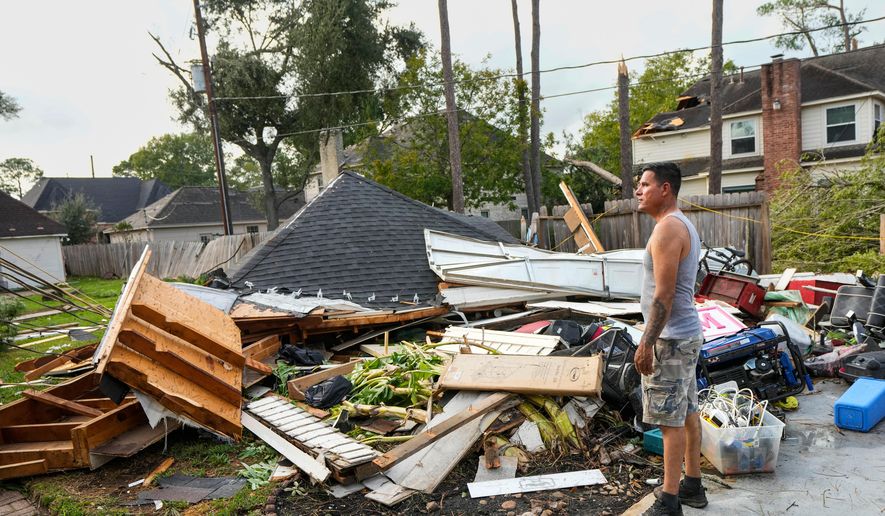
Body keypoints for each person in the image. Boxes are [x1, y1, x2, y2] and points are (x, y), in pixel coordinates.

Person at [634, 162, 706, 516]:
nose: (638, 190)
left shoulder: (667, 230)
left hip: (672, 340)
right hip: (684, 335)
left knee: (670, 421)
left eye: (644, 184)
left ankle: (670, 501)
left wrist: (647, 342)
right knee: (688, 411)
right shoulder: (680, 224)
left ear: (665, 189)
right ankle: (693, 485)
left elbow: (663, 297)